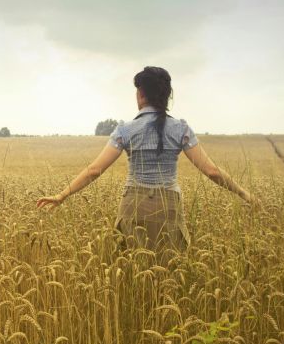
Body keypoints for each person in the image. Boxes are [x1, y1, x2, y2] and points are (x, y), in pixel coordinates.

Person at [36, 66, 258, 252]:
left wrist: (62, 195)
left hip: (133, 204)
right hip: (168, 204)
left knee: (132, 271)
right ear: (166, 96)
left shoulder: (125, 130)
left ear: (141, 94)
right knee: (168, 272)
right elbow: (212, 171)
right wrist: (246, 195)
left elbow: (94, 170)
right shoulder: (181, 128)